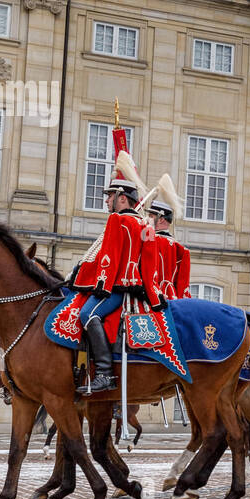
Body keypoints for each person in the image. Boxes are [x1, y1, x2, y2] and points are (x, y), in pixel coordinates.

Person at [68, 150, 164, 395]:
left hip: (115, 288)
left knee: (88, 314)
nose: (106, 201)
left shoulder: (117, 222)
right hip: (137, 290)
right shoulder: (146, 225)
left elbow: (108, 261)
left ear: (122, 198)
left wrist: (96, 283)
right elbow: (150, 265)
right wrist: (152, 296)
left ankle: (103, 373)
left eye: (110, 196)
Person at [146, 173, 191, 301]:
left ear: (161, 220)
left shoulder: (151, 240)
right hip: (172, 298)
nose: (147, 220)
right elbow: (183, 288)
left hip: (153, 297)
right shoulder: (182, 249)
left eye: (151, 216)